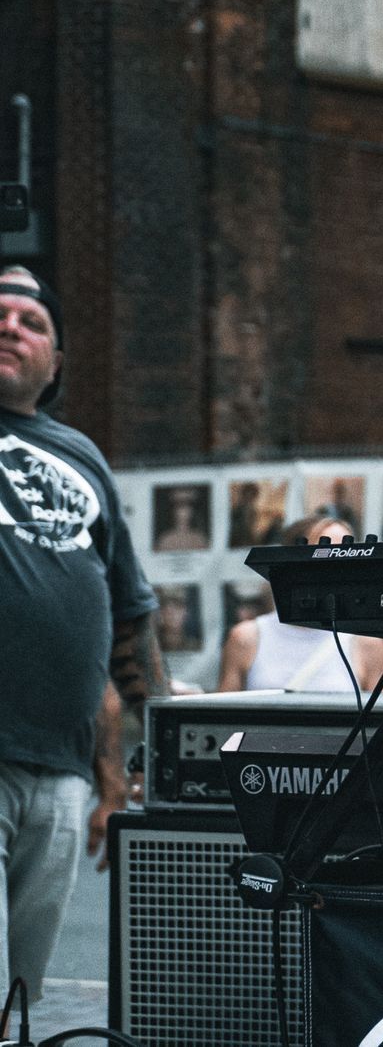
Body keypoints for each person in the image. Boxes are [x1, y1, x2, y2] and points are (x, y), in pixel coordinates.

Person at [0, 265, 170, 1002]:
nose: (10, 327)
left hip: (62, 775)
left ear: (57, 363)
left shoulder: (83, 458)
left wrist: (132, 767)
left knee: (17, 994)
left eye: (31, 323)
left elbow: (125, 622)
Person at [216, 514, 383, 693]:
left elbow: (382, 718)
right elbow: (223, 715)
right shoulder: (246, 638)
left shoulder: (367, 643)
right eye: (326, 555)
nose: (337, 568)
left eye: (347, 556)